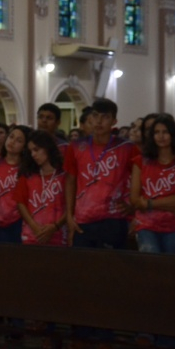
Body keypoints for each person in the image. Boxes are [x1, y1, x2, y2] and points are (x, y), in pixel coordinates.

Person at [64, 98, 136, 249]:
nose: (99, 121)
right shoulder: (77, 146)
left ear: (114, 121)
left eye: (105, 117)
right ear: (90, 118)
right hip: (83, 218)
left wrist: (132, 205)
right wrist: (70, 216)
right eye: (95, 116)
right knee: (84, 268)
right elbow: (70, 180)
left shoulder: (126, 148)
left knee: (111, 269)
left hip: (113, 218)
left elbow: (141, 178)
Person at [130, 114, 175, 254]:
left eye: (165, 132)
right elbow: (134, 198)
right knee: (151, 262)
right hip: (146, 225)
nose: (161, 136)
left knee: (171, 268)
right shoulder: (140, 162)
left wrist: (149, 204)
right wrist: (168, 204)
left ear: (173, 134)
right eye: (156, 132)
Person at [16, 131, 67, 246]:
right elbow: (21, 203)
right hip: (32, 235)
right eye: (30, 151)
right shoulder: (28, 175)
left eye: (36, 149)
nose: (33, 154)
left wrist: (56, 226)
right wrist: (35, 228)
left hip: (59, 235)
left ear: (47, 148)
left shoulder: (64, 175)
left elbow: (72, 204)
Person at [0, 125, 30, 244]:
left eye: (18, 140)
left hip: (21, 221)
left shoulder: (27, 169)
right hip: (0, 220)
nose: (12, 142)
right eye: (11, 137)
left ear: (24, 146)